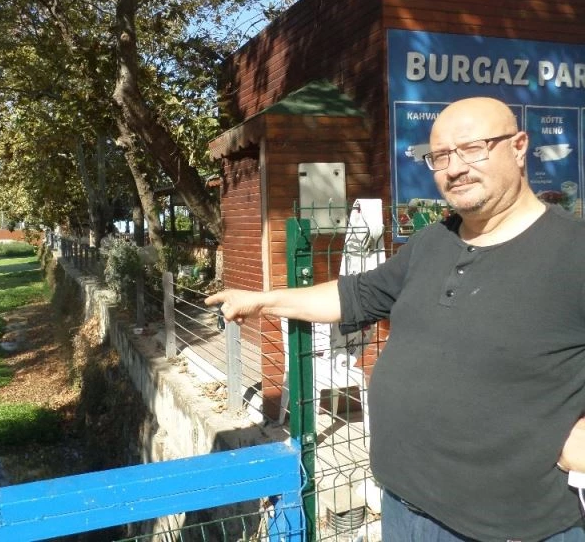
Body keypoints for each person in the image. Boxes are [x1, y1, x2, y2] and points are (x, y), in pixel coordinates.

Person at [206, 97, 585, 542]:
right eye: (440, 156)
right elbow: (355, 295)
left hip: (509, 526)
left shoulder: (572, 252)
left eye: (472, 148)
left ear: (519, 147)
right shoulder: (432, 242)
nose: (454, 168)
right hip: (404, 506)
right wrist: (263, 300)